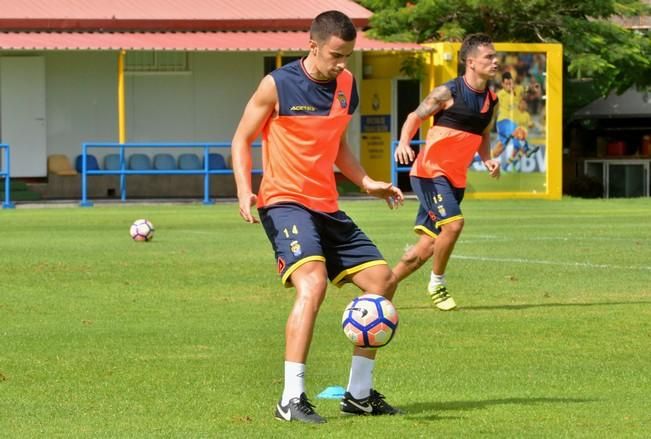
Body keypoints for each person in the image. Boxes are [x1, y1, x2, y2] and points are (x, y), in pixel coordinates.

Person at [231, 10, 404, 424]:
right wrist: (243, 188)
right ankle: (291, 398)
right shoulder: (277, 85)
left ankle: (358, 395)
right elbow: (242, 138)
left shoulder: (347, 84)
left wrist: (365, 181)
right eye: (335, 55)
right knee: (312, 283)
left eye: (348, 55)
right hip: (284, 201)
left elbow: (336, 142)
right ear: (313, 46)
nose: (342, 64)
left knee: (382, 281)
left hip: (326, 204)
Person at [392, 33, 501, 311]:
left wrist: (487, 160)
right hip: (429, 173)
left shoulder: (492, 100)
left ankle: (382, 287)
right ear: (471, 61)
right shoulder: (447, 92)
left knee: (427, 246)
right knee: (453, 225)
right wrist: (404, 142)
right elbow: (414, 117)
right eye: (489, 57)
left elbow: (484, 135)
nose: (496, 61)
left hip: (455, 180)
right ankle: (437, 283)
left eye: (495, 56)